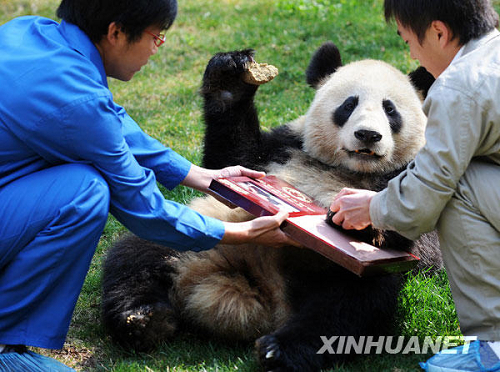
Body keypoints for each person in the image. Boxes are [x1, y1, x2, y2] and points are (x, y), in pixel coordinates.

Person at [0, 0, 299, 370]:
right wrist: (239, 233)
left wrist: (200, 175)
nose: (158, 48)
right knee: (85, 193)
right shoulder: (79, 104)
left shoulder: (28, 32)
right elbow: (148, 213)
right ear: (116, 32)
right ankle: (5, 344)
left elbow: (111, 122)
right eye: (156, 36)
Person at [329, 0, 500, 370]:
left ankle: (494, 346)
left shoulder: (458, 88)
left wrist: (372, 207)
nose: (410, 53)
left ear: (438, 32)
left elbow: (432, 186)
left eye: (409, 41)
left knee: (458, 186)